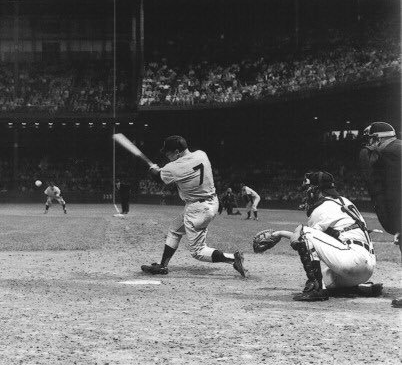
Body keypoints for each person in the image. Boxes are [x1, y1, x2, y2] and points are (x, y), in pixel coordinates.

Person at [140, 135, 247, 277]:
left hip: (197, 209)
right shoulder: (201, 154)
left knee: (198, 252)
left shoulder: (173, 167)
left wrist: (153, 169)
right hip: (212, 202)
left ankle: (233, 258)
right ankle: (162, 266)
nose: (166, 155)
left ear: (177, 151)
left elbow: (158, 178)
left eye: (168, 152)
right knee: (175, 229)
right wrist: (159, 170)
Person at [271, 172, 377, 301]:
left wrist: (279, 233)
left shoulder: (322, 207)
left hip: (352, 262)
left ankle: (315, 288)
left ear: (315, 189)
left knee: (302, 231)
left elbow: (303, 238)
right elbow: (319, 238)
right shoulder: (343, 201)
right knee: (326, 278)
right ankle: (357, 287)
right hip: (366, 267)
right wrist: (281, 233)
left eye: (308, 189)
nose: (306, 193)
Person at [359, 122, 401, 308]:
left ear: (377, 138)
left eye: (371, 139)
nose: (370, 144)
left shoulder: (390, 152)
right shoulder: (396, 148)